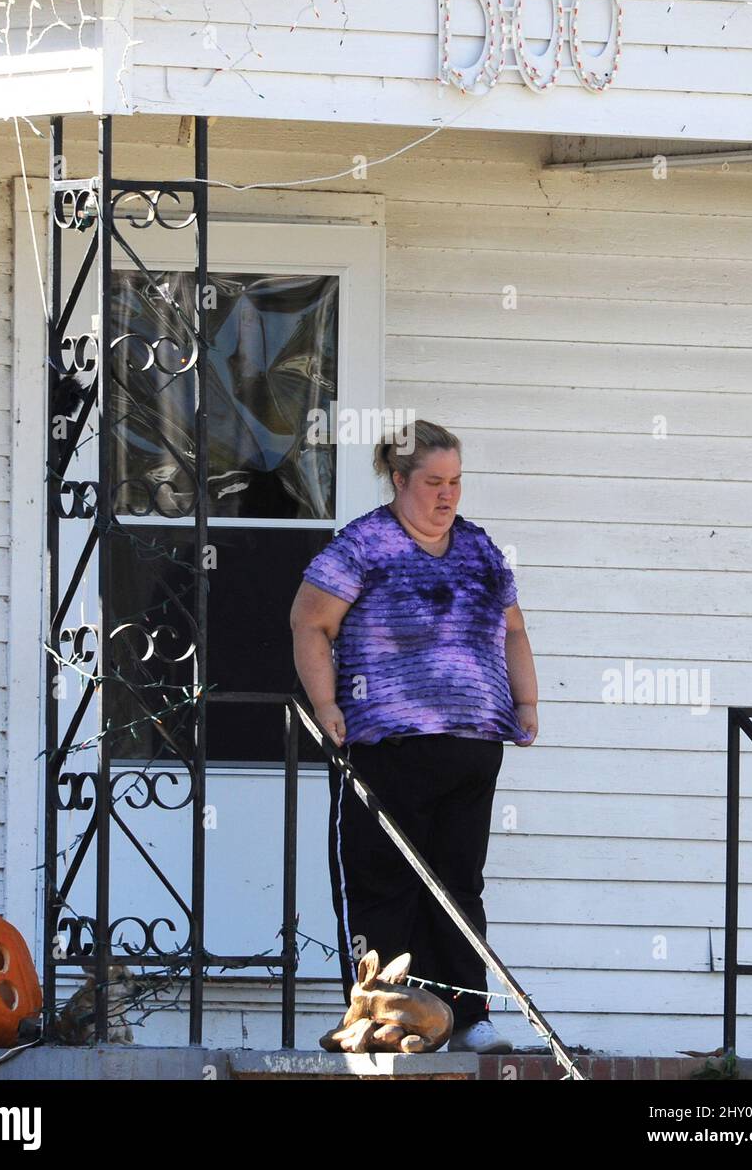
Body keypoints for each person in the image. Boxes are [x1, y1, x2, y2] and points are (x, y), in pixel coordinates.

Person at [289, 419, 538, 1053]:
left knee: (459, 884)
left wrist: (526, 699)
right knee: (385, 882)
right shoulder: (364, 545)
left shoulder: (479, 549)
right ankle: (386, 1015)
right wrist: (325, 704)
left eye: (455, 481)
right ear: (399, 480)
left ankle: (467, 1017)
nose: (447, 494)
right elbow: (309, 623)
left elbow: (512, 630)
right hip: (388, 745)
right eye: (433, 481)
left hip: (472, 744)